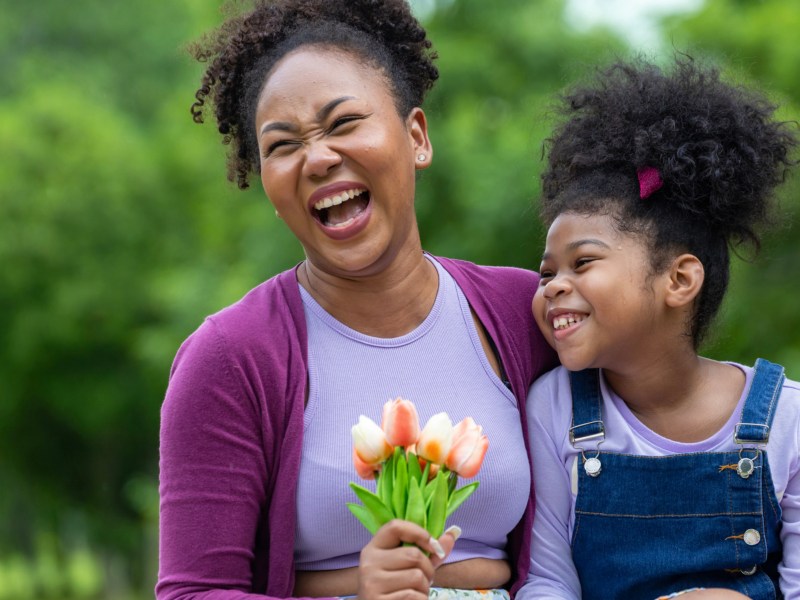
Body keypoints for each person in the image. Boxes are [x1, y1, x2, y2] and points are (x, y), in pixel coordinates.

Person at [156, 1, 557, 599]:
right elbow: (191, 593)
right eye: (283, 145)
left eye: (343, 123)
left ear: (417, 137)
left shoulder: (525, 314)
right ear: (265, 180)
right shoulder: (231, 357)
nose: (317, 158)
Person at [517, 57, 799, 600]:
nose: (552, 285)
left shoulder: (787, 418)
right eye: (547, 271)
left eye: (583, 263)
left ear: (679, 279)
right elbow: (547, 582)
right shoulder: (552, 408)